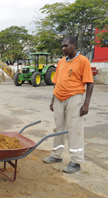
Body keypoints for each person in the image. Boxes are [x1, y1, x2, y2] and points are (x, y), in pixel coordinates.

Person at [43, 35, 94, 173]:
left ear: (74, 45)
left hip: (74, 98)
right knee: (58, 127)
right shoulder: (60, 62)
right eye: (62, 46)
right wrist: (53, 100)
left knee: (74, 129)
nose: (63, 48)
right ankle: (56, 155)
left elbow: (89, 83)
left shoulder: (83, 61)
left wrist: (86, 104)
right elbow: (57, 82)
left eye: (66, 46)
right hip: (59, 97)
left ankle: (76, 162)